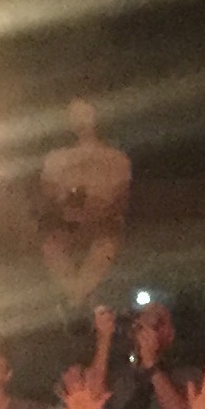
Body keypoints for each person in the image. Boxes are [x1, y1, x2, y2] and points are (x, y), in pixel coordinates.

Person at [39, 97, 133, 313]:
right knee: (52, 248)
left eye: (86, 113)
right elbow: (48, 199)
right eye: (74, 114)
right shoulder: (54, 159)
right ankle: (76, 300)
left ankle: (75, 302)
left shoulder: (117, 159)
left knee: (105, 247)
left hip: (103, 227)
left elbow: (121, 202)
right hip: (65, 226)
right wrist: (66, 209)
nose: (81, 120)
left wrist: (99, 211)